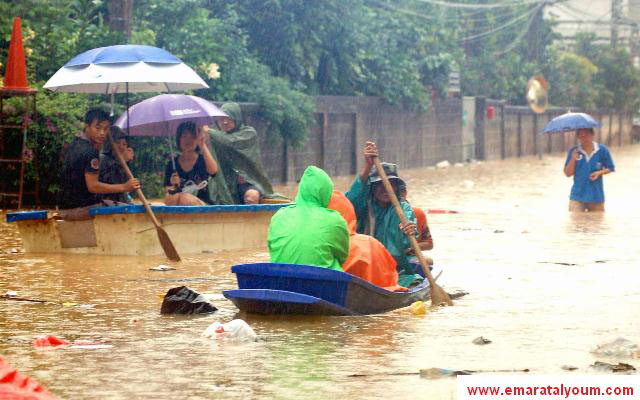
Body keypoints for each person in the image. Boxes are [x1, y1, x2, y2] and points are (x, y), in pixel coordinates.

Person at [345, 141, 421, 288]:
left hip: (394, 269)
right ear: (372, 187)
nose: (386, 188)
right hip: (363, 265)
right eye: (381, 184)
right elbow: (349, 201)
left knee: (411, 281)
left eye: (391, 184)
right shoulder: (363, 205)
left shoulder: (402, 209)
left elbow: (409, 234)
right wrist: (367, 167)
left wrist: (409, 231)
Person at [57, 109, 140, 220]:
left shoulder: (74, 144)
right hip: (82, 209)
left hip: (64, 208)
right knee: (125, 212)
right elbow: (93, 186)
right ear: (87, 126)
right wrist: (124, 187)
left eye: (105, 129)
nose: (102, 133)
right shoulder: (91, 152)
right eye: (98, 128)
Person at [268, 166, 349, 271]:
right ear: (326, 192)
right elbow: (342, 256)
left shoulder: (278, 216)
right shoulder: (335, 220)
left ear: (301, 189)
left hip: (280, 281)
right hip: (322, 283)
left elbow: (272, 250)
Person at [328, 191, 407, 291]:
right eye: (379, 185)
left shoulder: (403, 209)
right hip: (377, 255)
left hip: (396, 259)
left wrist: (407, 231)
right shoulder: (366, 208)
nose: (384, 190)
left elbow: (409, 239)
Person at [209, 102, 281, 204]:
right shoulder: (214, 137)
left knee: (252, 196)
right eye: (221, 118)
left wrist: (208, 131)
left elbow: (230, 141)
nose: (224, 122)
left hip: (247, 183)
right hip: (223, 184)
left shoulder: (249, 133)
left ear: (237, 118)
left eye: (229, 118)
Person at [164, 122, 218, 206]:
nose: (188, 140)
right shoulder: (172, 164)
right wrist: (173, 185)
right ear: (179, 139)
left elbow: (214, 171)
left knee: (185, 199)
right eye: (184, 136)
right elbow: (168, 191)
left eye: (192, 137)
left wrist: (202, 145)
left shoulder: (202, 159)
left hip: (204, 205)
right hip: (180, 204)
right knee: (171, 198)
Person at [564, 128, 615, 212]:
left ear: (592, 135)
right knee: (575, 223)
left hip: (596, 196)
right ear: (578, 137)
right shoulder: (574, 151)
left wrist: (599, 173)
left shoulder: (602, 150)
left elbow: (611, 168)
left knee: (597, 222)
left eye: (587, 135)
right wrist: (573, 159)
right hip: (577, 196)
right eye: (581, 135)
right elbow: (568, 173)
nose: (584, 138)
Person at [98, 126, 135, 205]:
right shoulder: (102, 159)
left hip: (121, 203)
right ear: (110, 144)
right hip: (105, 203)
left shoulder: (120, 162)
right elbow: (114, 183)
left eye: (124, 144)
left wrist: (126, 162)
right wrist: (123, 162)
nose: (121, 147)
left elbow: (127, 185)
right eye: (117, 143)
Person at [398, 183, 434, 266]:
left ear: (405, 193)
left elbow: (429, 244)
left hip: (410, 256)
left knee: (428, 261)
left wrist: (410, 249)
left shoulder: (418, 213)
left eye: (401, 192)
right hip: (387, 257)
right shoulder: (381, 214)